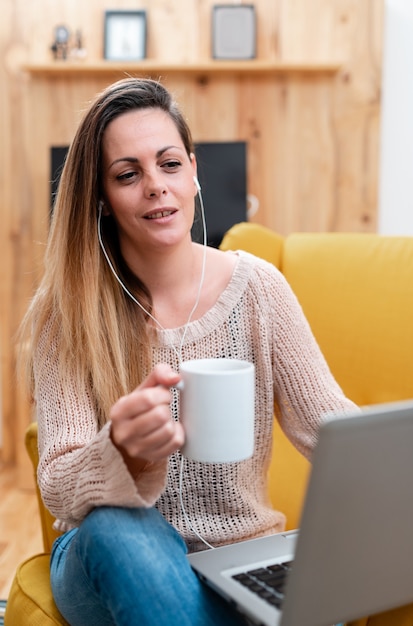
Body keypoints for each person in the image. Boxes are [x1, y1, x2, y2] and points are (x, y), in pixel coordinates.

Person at [18, 77, 358, 626]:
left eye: (169, 164)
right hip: (108, 553)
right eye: (128, 174)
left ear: (194, 172)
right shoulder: (70, 314)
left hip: (240, 552)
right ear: (102, 198)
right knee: (114, 525)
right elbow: (58, 487)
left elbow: (336, 432)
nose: (156, 185)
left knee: (303, 588)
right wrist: (120, 451)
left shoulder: (258, 289)